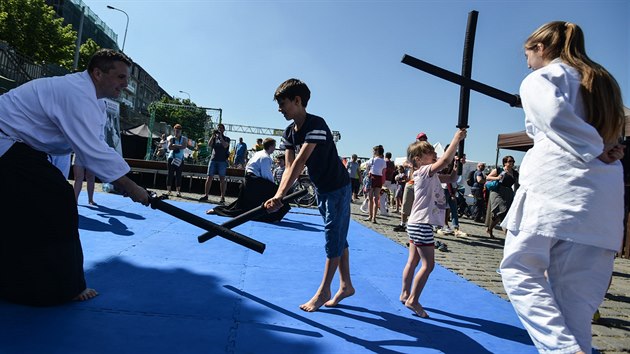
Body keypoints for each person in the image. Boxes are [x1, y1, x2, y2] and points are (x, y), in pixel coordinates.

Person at [499, 21, 625, 354]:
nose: (526, 62)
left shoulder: (542, 77)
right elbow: (611, 132)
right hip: (601, 198)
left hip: (555, 187)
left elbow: (554, 117)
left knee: (520, 270)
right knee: (576, 307)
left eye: (527, 54)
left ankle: (563, 350)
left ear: (540, 48)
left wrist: (594, 146)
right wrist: (604, 146)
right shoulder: (603, 81)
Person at [0, 49, 150, 306]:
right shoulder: (77, 94)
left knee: (23, 209)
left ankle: (17, 280)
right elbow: (91, 150)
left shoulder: (95, 101)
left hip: (18, 146)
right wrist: (130, 186)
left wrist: (125, 181)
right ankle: (63, 287)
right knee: (57, 199)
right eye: (121, 77)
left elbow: (98, 145)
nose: (125, 86)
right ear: (98, 73)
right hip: (7, 140)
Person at [265, 78, 353, 312]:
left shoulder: (316, 124)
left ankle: (324, 290)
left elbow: (301, 162)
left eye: (283, 103)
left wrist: (281, 195)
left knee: (333, 237)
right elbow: (288, 166)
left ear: (297, 100)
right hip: (323, 189)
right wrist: (278, 195)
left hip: (338, 188)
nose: (280, 109)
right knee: (338, 235)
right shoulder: (288, 132)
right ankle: (345, 285)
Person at [400, 129, 467, 318]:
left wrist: (455, 165)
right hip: (421, 224)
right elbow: (443, 161)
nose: (435, 154)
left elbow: (453, 178)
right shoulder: (424, 172)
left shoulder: (430, 175)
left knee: (413, 261)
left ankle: (405, 293)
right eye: (430, 152)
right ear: (419, 159)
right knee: (428, 265)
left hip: (416, 223)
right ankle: (413, 299)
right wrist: (455, 139)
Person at [207, 138, 290, 222]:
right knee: (280, 193)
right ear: (271, 146)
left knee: (241, 205)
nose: (274, 148)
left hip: (248, 180)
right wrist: (275, 187)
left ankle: (217, 210)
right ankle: (274, 216)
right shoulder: (266, 157)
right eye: (274, 146)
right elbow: (266, 174)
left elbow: (248, 166)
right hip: (254, 181)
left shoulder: (258, 153)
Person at [394, 132, 428, 232]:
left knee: (419, 206)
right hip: (412, 181)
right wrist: (410, 165)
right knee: (405, 203)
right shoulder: (413, 151)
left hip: (422, 183)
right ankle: (403, 224)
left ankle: (415, 225)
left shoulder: (428, 153)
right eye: (420, 139)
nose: (422, 141)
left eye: (423, 139)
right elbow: (404, 162)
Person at [485, 155, 519, 238]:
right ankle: (507, 233)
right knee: (501, 210)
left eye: (513, 161)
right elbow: (488, 177)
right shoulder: (499, 170)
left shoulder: (515, 173)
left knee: (503, 213)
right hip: (497, 191)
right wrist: (497, 177)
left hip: (508, 193)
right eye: (510, 161)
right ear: (505, 162)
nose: (512, 163)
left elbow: (517, 184)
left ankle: (490, 228)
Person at [199, 123, 230, 204]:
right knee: (209, 177)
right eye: (218, 128)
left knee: (222, 179)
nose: (219, 129)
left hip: (222, 161)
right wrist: (213, 136)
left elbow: (225, 145)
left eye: (221, 128)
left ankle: (222, 197)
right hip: (213, 159)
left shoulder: (227, 138)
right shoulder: (214, 138)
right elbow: (209, 145)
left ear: (224, 129)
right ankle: (206, 195)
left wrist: (220, 137)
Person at [365, 145, 386, 223]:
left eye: (374, 151)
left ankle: (370, 216)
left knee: (370, 197)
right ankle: (374, 217)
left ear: (377, 151)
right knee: (376, 198)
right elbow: (384, 172)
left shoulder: (373, 159)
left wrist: (368, 172)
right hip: (379, 178)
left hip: (372, 177)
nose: (373, 152)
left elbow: (367, 166)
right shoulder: (383, 161)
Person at [166, 124, 188, 197]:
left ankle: (178, 191)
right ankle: (169, 190)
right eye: (176, 130)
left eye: (178, 131)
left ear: (181, 131)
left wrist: (174, 145)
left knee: (179, 175)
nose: (177, 132)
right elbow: (169, 147)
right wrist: (178, 146)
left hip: (180, 159)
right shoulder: (171, 138)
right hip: (172, 158)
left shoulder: (184, 139)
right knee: (170, 174)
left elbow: (184, 146)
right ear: (174, 131)